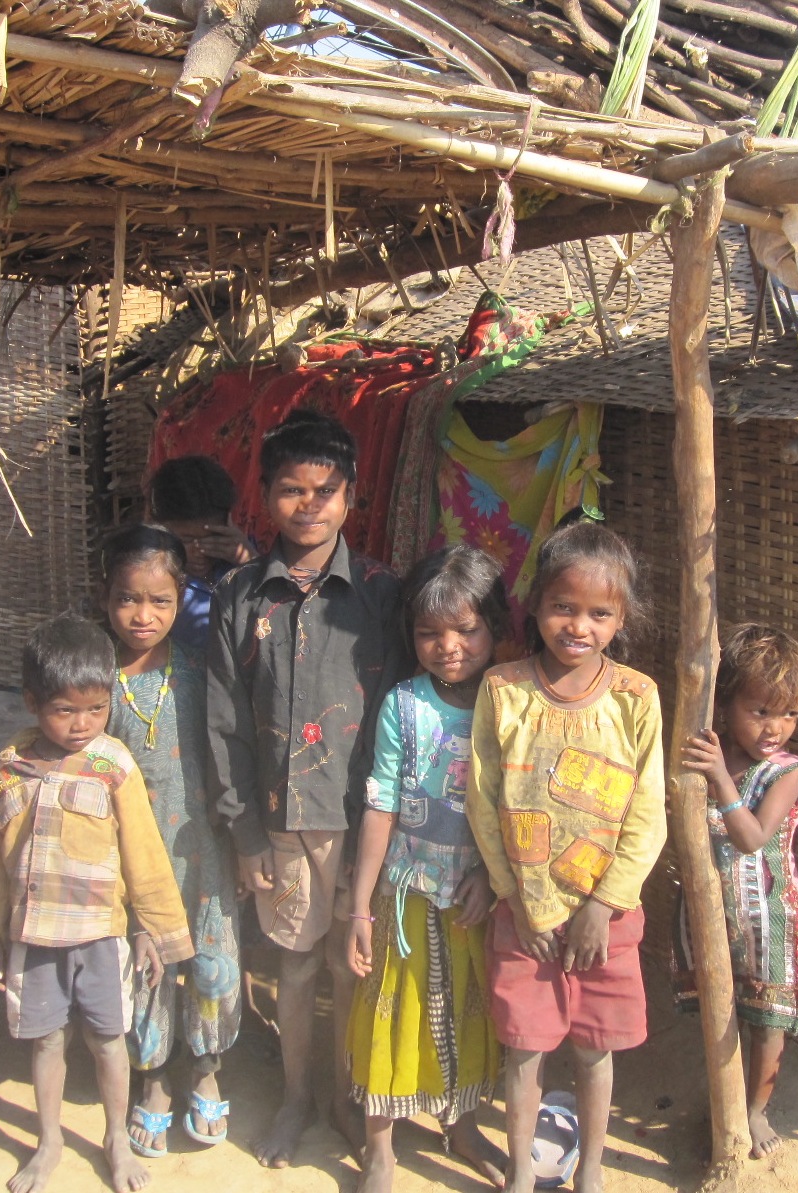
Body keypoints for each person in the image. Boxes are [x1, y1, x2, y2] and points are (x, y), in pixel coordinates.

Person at [207, 408, 405, 1168]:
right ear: (264, 494)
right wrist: (244, 830)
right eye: (291, 488)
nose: (309, 503)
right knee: (292, 961)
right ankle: (297, 1096)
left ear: (350, 495)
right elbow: (222, 718)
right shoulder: (238, 594)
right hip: (280, 818)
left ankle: (352, 1094)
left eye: (325, 489)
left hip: (363, 820)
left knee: (350, 965)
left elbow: (405, 713)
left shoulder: (381, 594)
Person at [467, 520, 667, 1193]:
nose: (577, 625)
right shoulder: (502, 689)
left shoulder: (636, 698)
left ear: (621, 617)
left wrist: (603, 904)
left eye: (598, 612)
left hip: (603, 919)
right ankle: (522, 1171)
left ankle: (590, 1171)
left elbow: (646, 811)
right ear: (535, 605)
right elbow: (484, 798)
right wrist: (515, 896)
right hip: (524, 915)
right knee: (523, 1051)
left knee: (592, 1051)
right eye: (562, 607)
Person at [0, 615, 193, 1193]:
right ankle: (49, 1141)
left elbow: (144, 855)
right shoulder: (9, 772)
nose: (81, 725)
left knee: (108, 1040)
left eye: (95, 710)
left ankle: (116, 1137)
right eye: (65, 711)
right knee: (46, 1040)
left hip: (100, 937)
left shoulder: (113, 765)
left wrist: (151, 930)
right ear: (31, 702)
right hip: (33, 936)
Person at [346, 545, 511, 1193]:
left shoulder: (508, 702)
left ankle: (462, 1126)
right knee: (390, 1009)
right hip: (407, 892)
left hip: (477, 892)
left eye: (466, 629)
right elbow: (380, 808)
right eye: (429, 633)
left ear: (495, 625)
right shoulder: (402, 706)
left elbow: (514, 804)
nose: (449, 646)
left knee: (470, 1007)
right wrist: (360, 906)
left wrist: (493, 877)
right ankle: (379, 1145)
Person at [99, 525, 241, 1159]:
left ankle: (206, 1070)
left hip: (202, 847)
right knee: (145, 968)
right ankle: (152, 1081)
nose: (143, 615)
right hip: (134, 855)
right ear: (105, 598)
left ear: (182, 596)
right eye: (130, 599)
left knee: (213, 962)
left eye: (160, 601)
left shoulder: (201, 669)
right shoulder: (95, 683)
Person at [674, 622, 798, 1160]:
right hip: (716, 914)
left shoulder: (788, 772)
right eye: (760, 711)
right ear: (726, 703)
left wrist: (719, 778)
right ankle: (729, 1101)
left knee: (768, 1022)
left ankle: (756, 1111)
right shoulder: (711, 753)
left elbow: (753, 838)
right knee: (724, 1010)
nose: (774, 728)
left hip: (770, 918)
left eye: (789, 714)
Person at [147, 455, 254, 653]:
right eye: (186, 540)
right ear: (159, 528)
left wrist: (251, 561)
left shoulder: (249, 560)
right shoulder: (150, 577)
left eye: (212, 538)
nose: (200, 550)